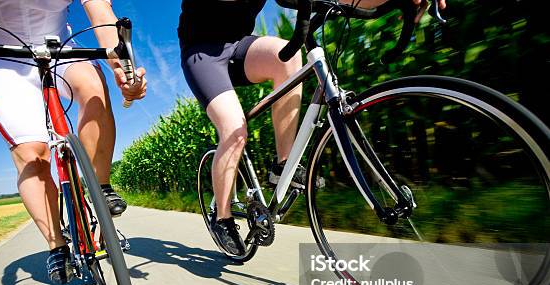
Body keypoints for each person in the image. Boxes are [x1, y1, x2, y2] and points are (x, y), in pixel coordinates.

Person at [178, 0, 446, 256]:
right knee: (234, 131)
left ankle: (283, 165)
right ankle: (222, 217)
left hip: (237, 46)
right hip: (201, 52)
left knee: (288, 57)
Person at [0, 0, 147, 283]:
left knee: (94, 91)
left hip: (59, 45)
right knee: (32, 154)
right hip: (1, 61)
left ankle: (100, 189)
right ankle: (56, 245)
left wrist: (123, 66)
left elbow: (101, 11)